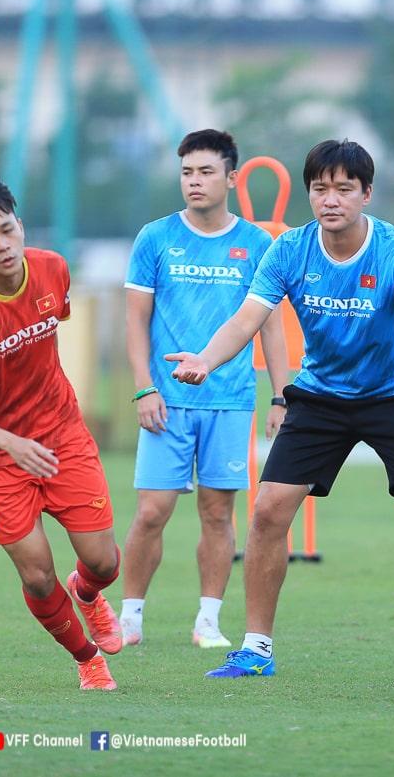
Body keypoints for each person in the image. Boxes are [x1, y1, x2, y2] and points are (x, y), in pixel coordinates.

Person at [167, 138, 394, 677]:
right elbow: (246, 319)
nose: (330, 200)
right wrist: (206, 358)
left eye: (344, 189)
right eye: (320, 189)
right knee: (268, 511)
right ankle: (256, 649)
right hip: (320, 396)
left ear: (367, 193)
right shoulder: (289, 250)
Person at [0, 176, 122, 692]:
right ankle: (87, 660)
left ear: (19, 224)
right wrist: (12, 442)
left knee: (104, 561)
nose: (3, 245)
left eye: (7, 230)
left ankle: (87, 593)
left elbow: (52, 324)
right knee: (37, 575)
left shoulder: (53, 268)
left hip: (61, 434)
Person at [121, 129, 289, 649]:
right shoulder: (155, 238)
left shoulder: (258, 245)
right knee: (152, 512)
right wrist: (144, 389)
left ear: (231, 178)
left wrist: (281, 396)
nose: (194, 181)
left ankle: (208, 622)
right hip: (167, 401)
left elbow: (270, 328)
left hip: (230, 401)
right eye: (187, 172)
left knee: (218, 513)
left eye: (206, 172)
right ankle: (129, 617)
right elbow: (135, 321)